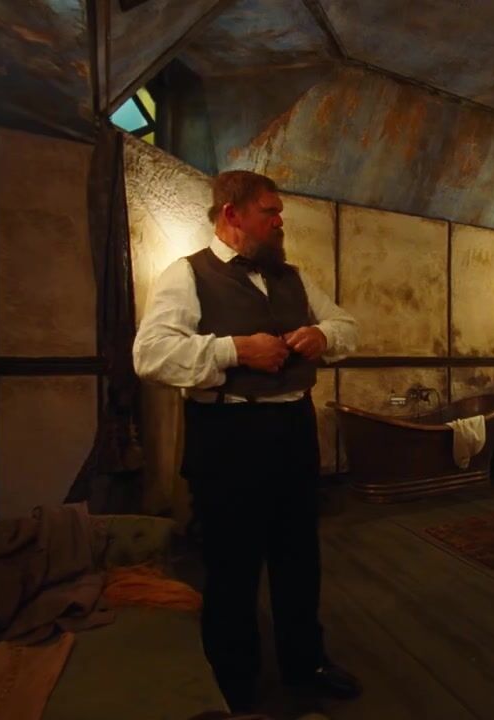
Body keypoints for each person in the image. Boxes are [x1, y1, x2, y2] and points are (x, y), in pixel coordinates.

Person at [133, 170, 361, 712]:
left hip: (293, 429)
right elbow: (150, 355)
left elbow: (347, 326)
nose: (280, 221)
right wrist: (234, 350)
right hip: (228, 436)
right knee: (232, 565)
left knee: (299, 556)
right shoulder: (186, 274)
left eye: (279, 212)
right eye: (269, 211)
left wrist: (323, 334)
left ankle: (305, 662)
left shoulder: (294, 277)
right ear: (232, 214)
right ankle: (235, 681)